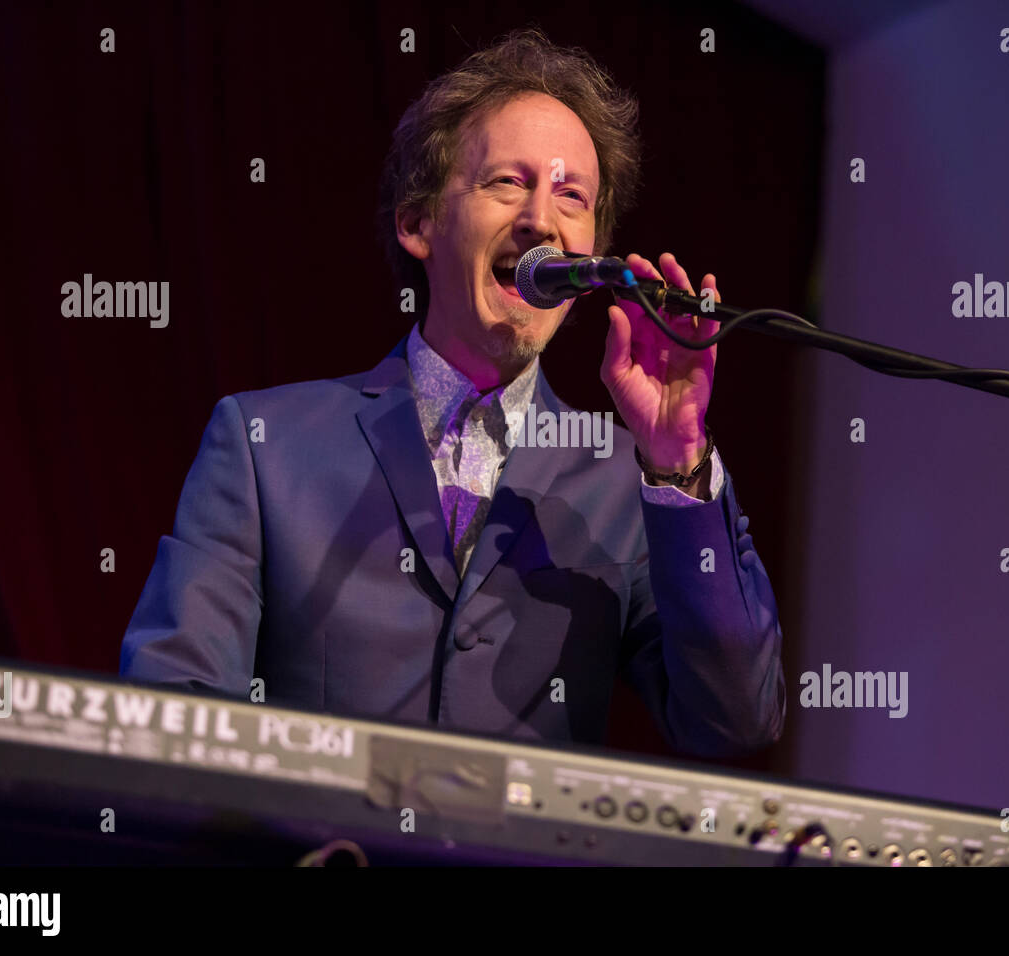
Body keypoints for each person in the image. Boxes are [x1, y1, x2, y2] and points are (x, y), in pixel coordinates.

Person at [120, 29, 786, 758]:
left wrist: (679, 458)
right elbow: (173, 714)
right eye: (508, 181)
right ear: (418, 222)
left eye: (572, 196)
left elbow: (737, 720)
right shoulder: (262, 446)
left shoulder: (629, 484)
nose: (541, 220)